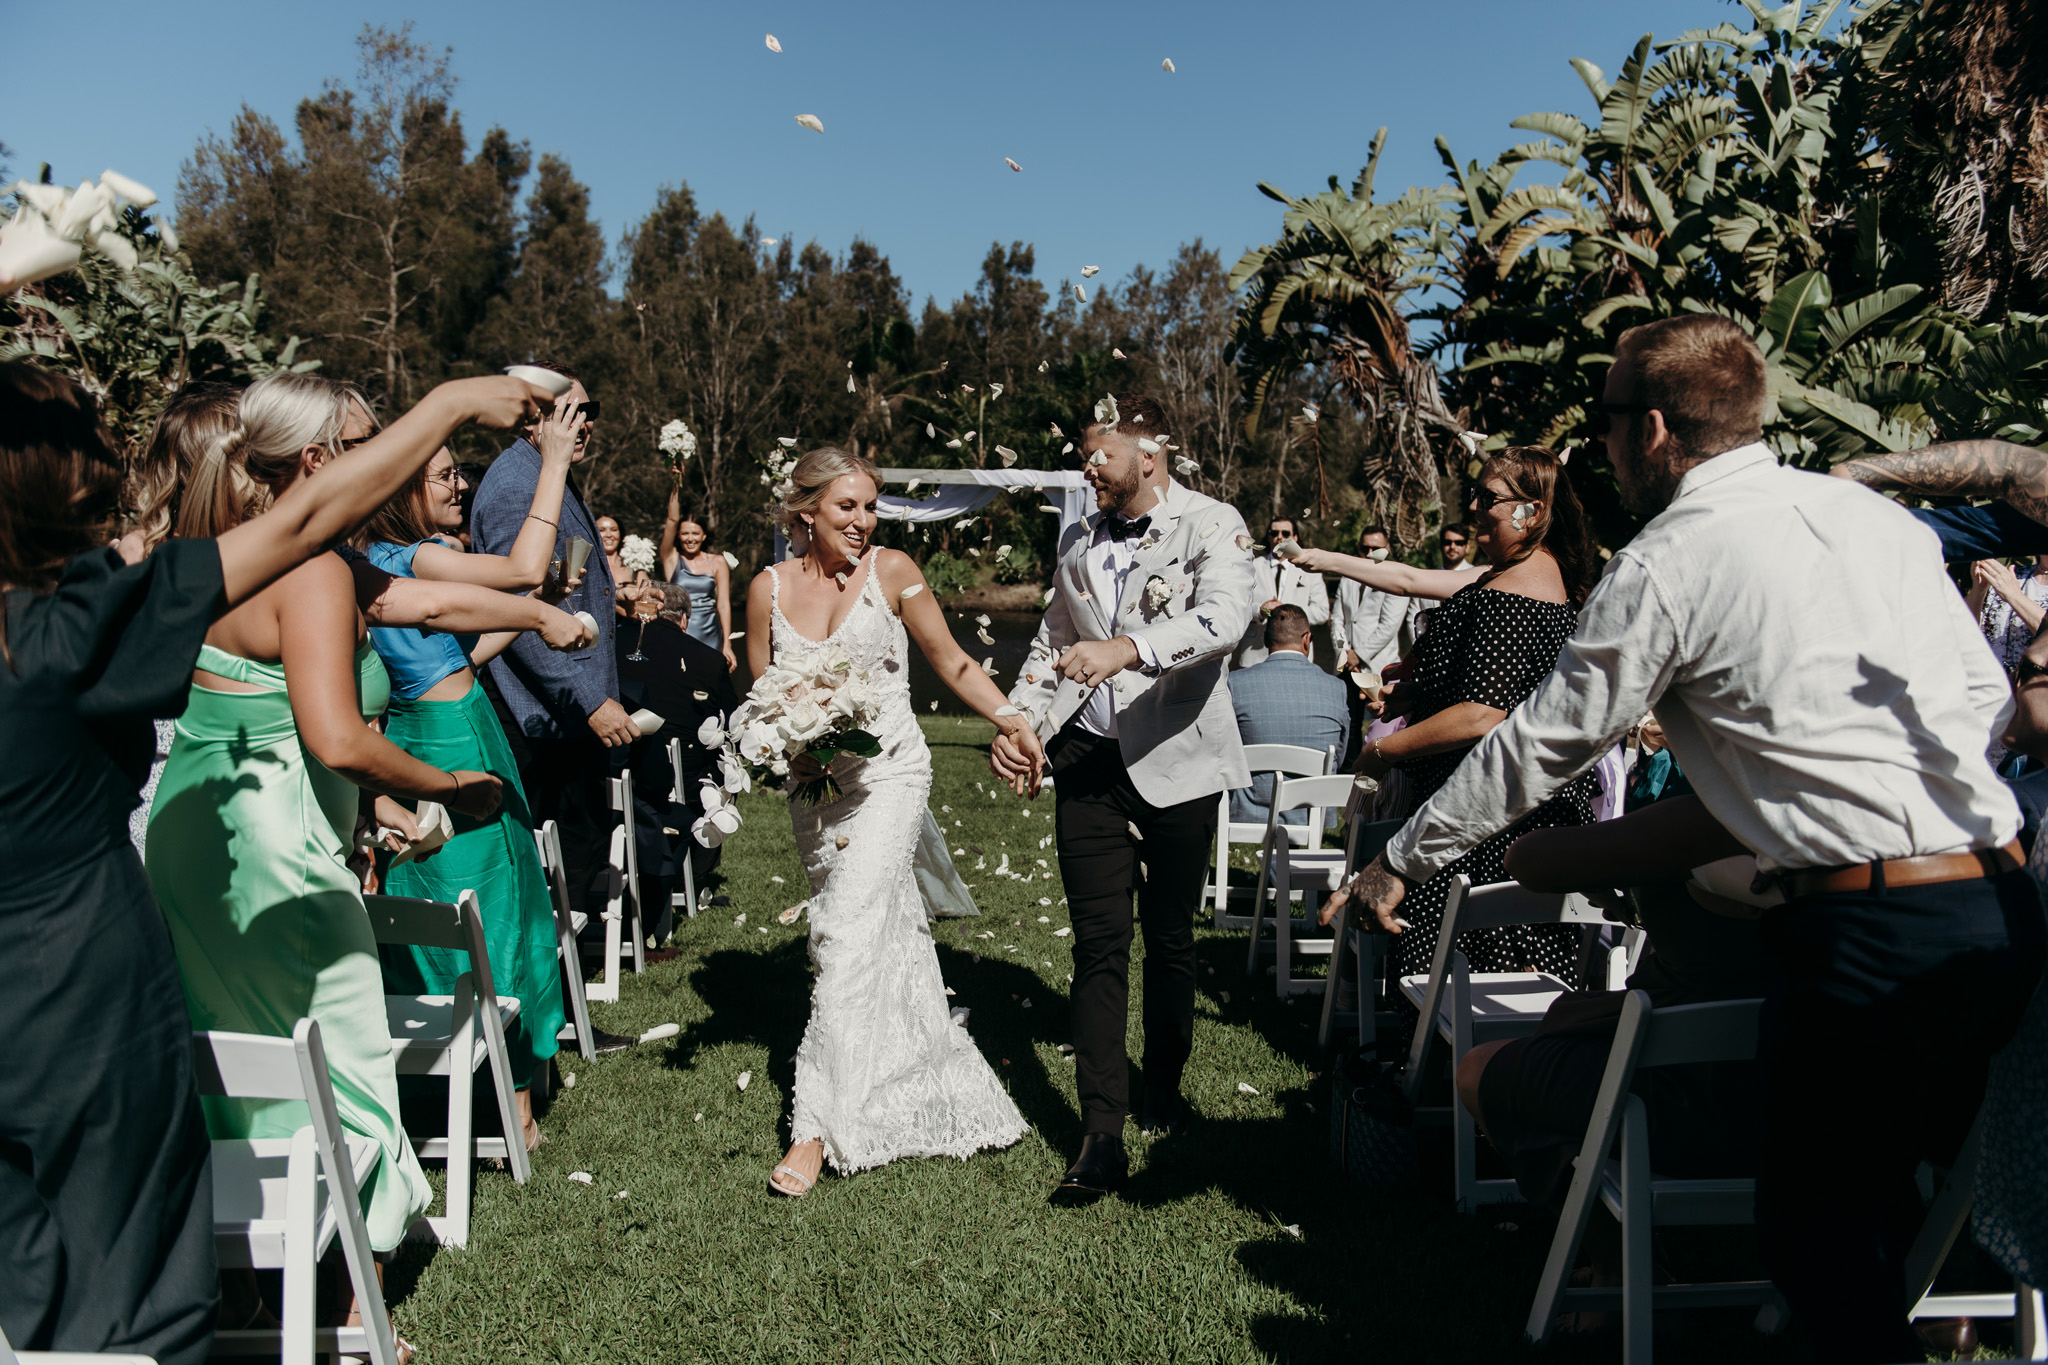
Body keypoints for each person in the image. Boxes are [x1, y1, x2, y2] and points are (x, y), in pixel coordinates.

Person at [1329, 314, 2042, 1365]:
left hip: (1865, 928)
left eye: (1604, 428)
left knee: (1821, 1242)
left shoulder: (1669, 559)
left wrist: (1397, 858)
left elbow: (1540, 747)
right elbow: (1983, 693)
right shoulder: (1875, 526)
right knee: (1891, 1210)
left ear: (1651, 429)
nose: (1599, 456)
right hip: (1999, 905)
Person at [0, 357, 549, 1365]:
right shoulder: (73, 622)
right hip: (91, 972)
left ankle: (258, 1298)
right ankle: (345, 1299)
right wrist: (451, 404)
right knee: (326, 1076)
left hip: (180, 850)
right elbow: (305, 542)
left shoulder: (96, 601)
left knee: (39, 1272)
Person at [145, 373, 548, 1276]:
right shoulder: (317, 570)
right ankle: (339, 1296)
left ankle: (242, 1277)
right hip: (273, 844)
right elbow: (336, 737)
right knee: (339, 1056)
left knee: (231, 1056)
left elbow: (428, 603)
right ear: (323, 462)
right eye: (373, 441)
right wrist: (454, 787)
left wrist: (534, 610)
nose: (393, 457)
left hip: (194, 834)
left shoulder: (225, 551)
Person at [743, 446, 1040, 1197]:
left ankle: (811, 1127)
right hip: (816, 790)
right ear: (806, 511)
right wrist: (786, 751)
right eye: (847, 507)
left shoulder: (895, 570)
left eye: (870, 507)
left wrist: (1011, 717)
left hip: (893, 774)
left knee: (842, 928)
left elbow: (953, 662)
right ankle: (912, 1064)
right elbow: (759, 687)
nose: (862, 521)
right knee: (865, 932)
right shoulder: (766, 588)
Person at [992, 391, 1256, 1203]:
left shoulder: (1213, 522)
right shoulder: (1076, 536)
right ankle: (1100, 1134)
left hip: (1178, 757)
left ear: (1148, 456)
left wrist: (1130, 647)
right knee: (1098, 945)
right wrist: (1019, 720)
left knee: (1170, 938)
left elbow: (1227, 616)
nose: (1086, 465)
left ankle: (1165, 1085)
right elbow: (1054, 641)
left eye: (1098, 453)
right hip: (1088, 761)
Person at [357, 404, 590, 1147]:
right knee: (488, 910)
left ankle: (498, 1076)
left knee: (497, 900)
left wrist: (529, 609)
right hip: (448, 740)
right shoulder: (412, 556)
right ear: (402, 491)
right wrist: (551, 461)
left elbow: (453, 656)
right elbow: (520, 563)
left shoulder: (385, 562)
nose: (460, 484)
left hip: (456, 723)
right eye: (446, 474)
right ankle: (508, 1100)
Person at [1325, 446, 1605, 998]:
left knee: (1463, 976)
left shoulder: (1515, 593)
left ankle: (1442, 1079)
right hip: (1505, 808)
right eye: (1473, 495)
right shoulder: (1526, 576)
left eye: (1488, 498)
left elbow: (1483, 713)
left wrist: (1380, 752)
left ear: (1535, 509)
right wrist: (1418, 691)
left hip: (1489, 821)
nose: (1474, 507)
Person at [471, 363, 633, 932]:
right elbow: (517, 614)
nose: (584, 424)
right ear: (531, 420)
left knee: (576, 856)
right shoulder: (518, 486)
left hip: (560, 712)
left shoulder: (547, 473)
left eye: (590, 412)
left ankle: (559, 1001)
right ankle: (547, 1004)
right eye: (571, 412)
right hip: (541, 717)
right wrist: (588, 698)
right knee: (553, 865)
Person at [616, 580, 737, 939]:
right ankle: (695, 880)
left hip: (613, 766)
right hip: (677, 777)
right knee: (724, 771)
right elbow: (731, 720)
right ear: (684, 619)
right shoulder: (707, 658)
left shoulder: (613, 644)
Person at [1226, 604, 1349, 827]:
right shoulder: (1336, 687)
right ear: (1307, 640)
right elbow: (1339, 753)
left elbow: (1226, 750)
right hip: (1312, 808)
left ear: (1266, 642)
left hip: (1252, 807)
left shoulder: (1236, 683)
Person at [1331, 525, 1417, 761]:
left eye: (1375, 549)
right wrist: (1344, 653)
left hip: (1378, 666)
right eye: (1364, 548)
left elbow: (1389, 626)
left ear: (1387, 549)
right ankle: (1347, 772)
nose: (1369, 553)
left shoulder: (1394, 577)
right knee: (1349, 724)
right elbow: (1338, 618)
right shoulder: (1348, 577)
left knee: (1381, 725)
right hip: (1347, 666)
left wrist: (1358, 654)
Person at [1235, 515, 1330, 669]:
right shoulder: (1252, 566)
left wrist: (1286, 611)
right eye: (1274, 533)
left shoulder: (1309, 570)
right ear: (1268, 536)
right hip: (1255, 655)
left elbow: (1322, 611)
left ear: (1295, 537)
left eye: (1285, 534)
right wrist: (1261, 610)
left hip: (1297, 654)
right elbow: (1238, 605)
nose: (1279, 537)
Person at [659, 487, 736, 670]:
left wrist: (727, 643)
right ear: (678, 535)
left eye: (695, 534)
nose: (690, 538)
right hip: (679, 632)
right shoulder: (672, 559)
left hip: (710, 634)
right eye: (685, 533)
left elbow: (723, 604)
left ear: (704, 535)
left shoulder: (717, 562)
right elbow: (672, 520)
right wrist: (675, 483)